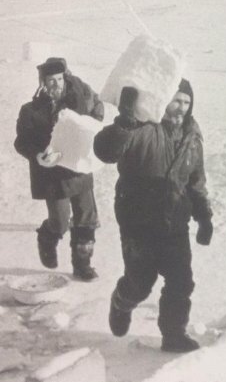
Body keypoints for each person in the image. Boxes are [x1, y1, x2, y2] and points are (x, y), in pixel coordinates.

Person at [93, 79, 213, 353]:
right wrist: (123, 122)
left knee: (181, 281)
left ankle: (173, 335)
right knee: (141, 282)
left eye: (186, 102)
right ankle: (122, 300)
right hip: (139, 221)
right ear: (163, 100)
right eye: (176, 100)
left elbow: (195, 179)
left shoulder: (192, 135)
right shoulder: (143, 127)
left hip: (174, 222)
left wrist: (203, 215)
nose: (181, 108)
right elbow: (105, 151)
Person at [14, 57, 104, 281]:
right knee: (60, 222)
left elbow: (98, 106)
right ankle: (47, 237)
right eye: (50, 81)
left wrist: (94, 125)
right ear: (42, 83)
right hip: (52, 175)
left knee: (86, 218)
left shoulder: (81, 99)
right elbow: (21, 142)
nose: (55, 85)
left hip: (78, 170)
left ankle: (82, 264)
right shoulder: (31, 110)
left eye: (59, 80)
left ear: (65, 78)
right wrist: (37, 155)